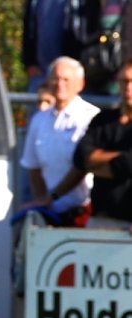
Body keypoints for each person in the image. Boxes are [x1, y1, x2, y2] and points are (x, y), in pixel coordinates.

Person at [12, 56, 100, 295]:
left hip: (83, 211)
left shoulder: (91, 117)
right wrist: (44, 200)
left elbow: (85, 166)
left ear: (79, 84)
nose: (60, 84)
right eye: (55, 78)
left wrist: (52, 196)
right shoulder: (40, 120)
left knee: (82, 281)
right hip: (51, 213)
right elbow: (32, 165)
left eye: (66, 79)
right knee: (48, 280)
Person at [67, 57, 132, 231]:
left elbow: (127, 163)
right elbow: (80, 157)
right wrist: (120, 157)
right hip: (101, 219)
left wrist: (95, 162)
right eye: (124, 81)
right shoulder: (103, 120)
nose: (128, 88)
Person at [21, 0, 99, 92]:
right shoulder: (35, 2)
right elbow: (28, 30)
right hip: (40, 76)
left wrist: (78, 68)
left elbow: (90, 31)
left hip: (71, 77)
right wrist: (30, 63)